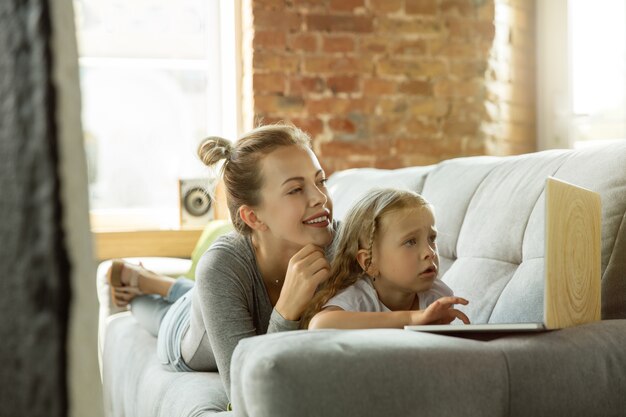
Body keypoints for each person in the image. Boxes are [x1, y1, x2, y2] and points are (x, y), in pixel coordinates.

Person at [106, 124, 335, 400]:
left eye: (320, 181)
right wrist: (286, 311)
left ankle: (162, 283)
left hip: (209, 296)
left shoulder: (341, 239)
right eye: (296, 189)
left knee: (196, 295)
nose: (320, 198)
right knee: (156, 312)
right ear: (253, 218)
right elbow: (246, 392)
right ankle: (139, 285)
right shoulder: (221, 265)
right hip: (184, 331)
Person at [301, 188, 470, 329]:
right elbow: (320, 324)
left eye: (432, 239)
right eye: (410, 242)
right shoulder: (360, 298)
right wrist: (412, 319)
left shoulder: (438, 296)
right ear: (369, 262)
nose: (429, 252)